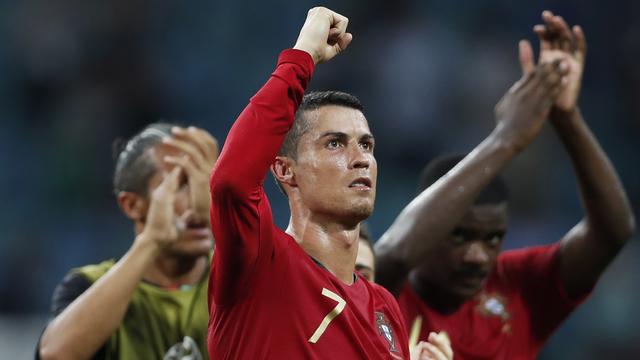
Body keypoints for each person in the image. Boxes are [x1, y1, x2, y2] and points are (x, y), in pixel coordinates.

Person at [374, 11, 635, 360]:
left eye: (493, 238)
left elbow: (613, 232)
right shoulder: (381, 295)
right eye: (459, 236)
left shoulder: (518, 287)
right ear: (428, 219)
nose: (477, 256)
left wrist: (566, 118)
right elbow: (394, 253)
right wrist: (506, 137)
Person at [208, 7, 451, 360]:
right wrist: (302, 54)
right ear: (284, 170)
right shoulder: (262, 262)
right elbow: (231, 180)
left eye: (367, 145)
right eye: (335, 143)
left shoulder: (385, 308)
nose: (361, 158)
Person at [38, 123, 219, 360]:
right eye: (181, 184)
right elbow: (55, 355)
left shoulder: (242, 280)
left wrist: (224, 217)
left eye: (206, 184)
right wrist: (152, 241)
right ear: (133, 205)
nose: (198, 201)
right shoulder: (91, 285)